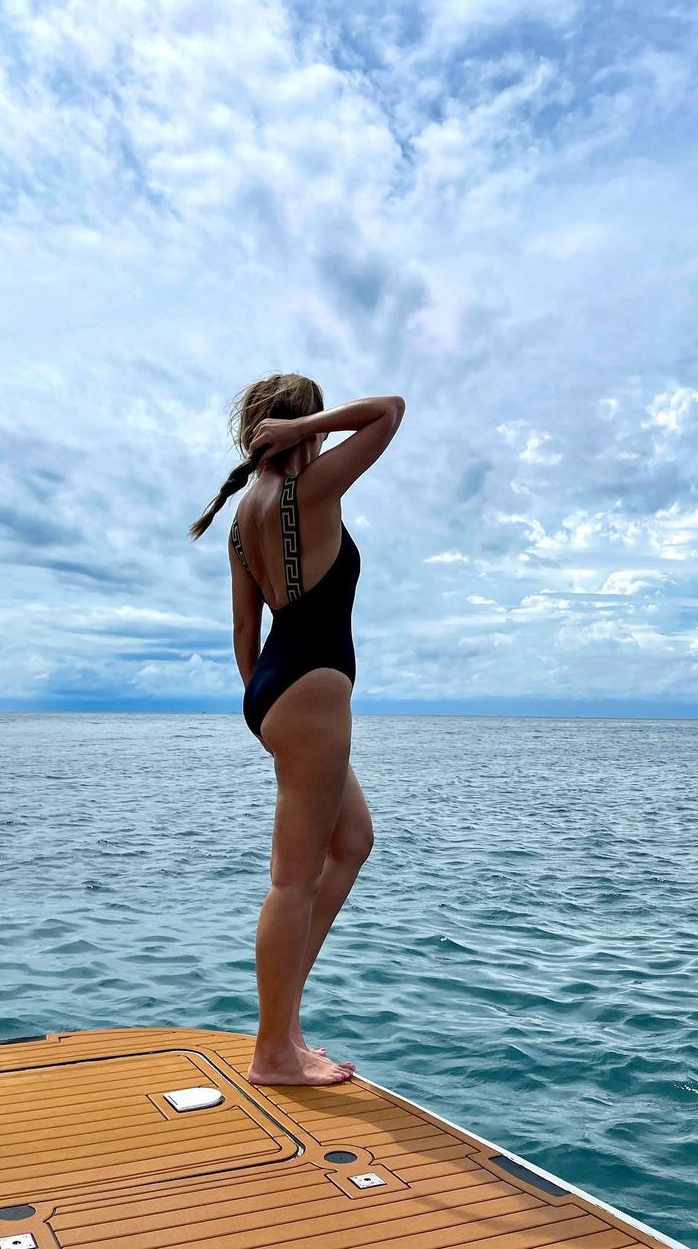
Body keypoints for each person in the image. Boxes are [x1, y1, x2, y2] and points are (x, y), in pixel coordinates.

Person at [190, 375, 406, 1086]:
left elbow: (243, 630)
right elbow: (389, 412)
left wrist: (264, 711)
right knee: (293, 881)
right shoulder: (307, 491)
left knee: (353, 842)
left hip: (276, 687)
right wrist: (303, 432)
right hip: (311, 689)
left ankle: (284, 1024)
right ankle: (272, 1053)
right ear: (299, 427)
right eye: (312, 424)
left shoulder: (241, 519)